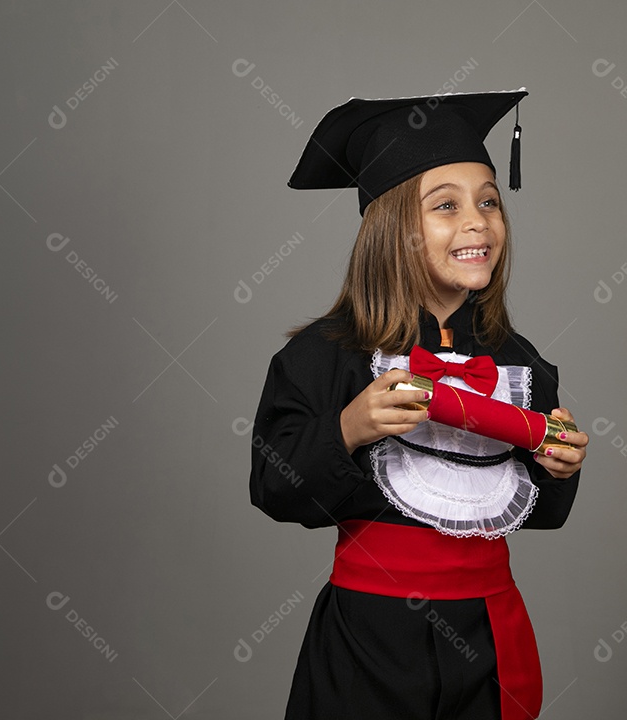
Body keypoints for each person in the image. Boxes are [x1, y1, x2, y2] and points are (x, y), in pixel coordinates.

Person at [249, 88, 587, 720]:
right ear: (392, 229)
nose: (478, 221)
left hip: (488, 634)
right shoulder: (324, 356)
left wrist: (558, 465)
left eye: (490, 201)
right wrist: (347, 428)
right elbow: (273, 488)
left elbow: (539, 514)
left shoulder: (521, 361)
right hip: (370, 642)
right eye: (446, 206)